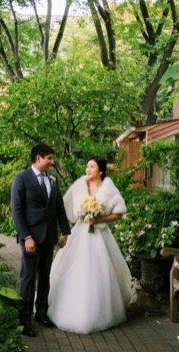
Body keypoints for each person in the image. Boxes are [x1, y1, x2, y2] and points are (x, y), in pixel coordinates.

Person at [47, 156, 134, 334]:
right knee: (72, 269)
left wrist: (98, 218)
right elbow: (64, 205)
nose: (88, 169)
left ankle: (100, 313)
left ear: (100, 171)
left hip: (99, 235)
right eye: (87, 166)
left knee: (99, 271)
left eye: (92, 167)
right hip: (79, 233)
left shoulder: (108, 187)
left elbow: (119, 212)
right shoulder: (79, 185)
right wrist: (79, 217)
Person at [11, 143, 70, 337]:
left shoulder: (52, 179)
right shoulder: (22, 179)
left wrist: (65, 231)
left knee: (45, 275)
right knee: (28, 277)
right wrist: (26, 236)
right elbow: (17, 211)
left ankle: (41, 312)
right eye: (49, 158)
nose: (52, 162)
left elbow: (58, 206)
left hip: (49, 236)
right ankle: (24, 318)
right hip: (30, 237)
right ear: (38, 158)